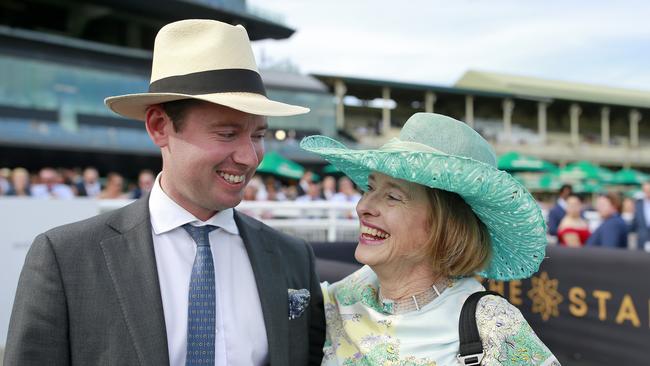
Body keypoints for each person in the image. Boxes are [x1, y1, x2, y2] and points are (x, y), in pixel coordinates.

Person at [5, 19, 325, 366]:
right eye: (227, 133)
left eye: (258, 135)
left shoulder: (292, 258)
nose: (250, 157)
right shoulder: (67, 259)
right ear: (160, 127)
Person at [301, 113, 559, 365]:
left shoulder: (492, 325)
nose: (363, 207)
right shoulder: (347, 293)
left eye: (392, 196)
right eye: (369, 188)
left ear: (446, 225)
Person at [630, 181, 650, 251]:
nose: (648, 192)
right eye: (646, 190)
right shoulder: (638, 204)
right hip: (641, 242)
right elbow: (634, 223)